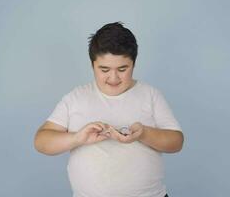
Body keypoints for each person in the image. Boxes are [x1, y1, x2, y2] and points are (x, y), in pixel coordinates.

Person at [34, 22, 184, 197]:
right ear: (92, 65)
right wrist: (77, 138)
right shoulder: (75, 98)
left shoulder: (150, 95)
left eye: (122, 69)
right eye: (104, 69)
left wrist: (144, 134)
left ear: (134, 64)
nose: (113, 78)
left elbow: (176, 142)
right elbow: (41, 141)